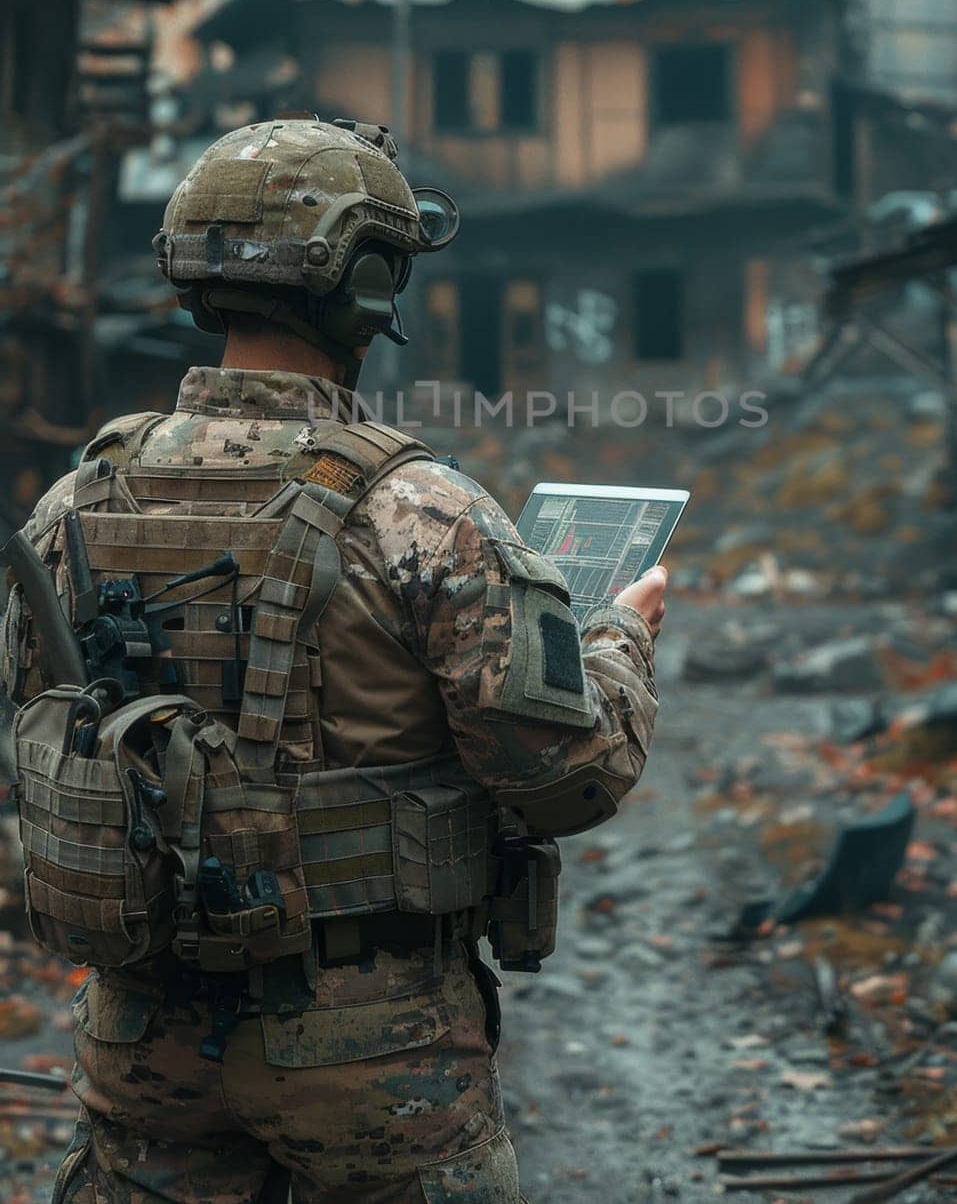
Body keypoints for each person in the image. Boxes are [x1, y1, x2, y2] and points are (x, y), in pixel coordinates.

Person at [2, 116, 665, 1204]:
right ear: (365, 284)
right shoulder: (422, 512)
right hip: (372, 1054)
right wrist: (620, 636)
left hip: (139, 1038)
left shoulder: (76, 499)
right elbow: (568, 775)